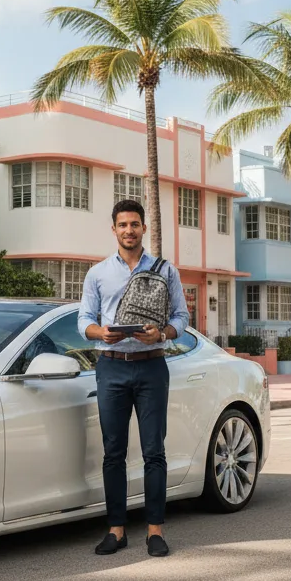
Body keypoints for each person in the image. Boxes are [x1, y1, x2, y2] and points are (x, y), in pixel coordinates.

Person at [78, 199, 189, 558]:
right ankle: (116, 530)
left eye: (135, 224)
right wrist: (100, 333)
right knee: (114, 453)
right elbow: (83, 321)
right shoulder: (97, 273)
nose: (129, 230)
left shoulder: (166, 270)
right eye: (122, 225)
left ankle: (155, 531)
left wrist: (162, 335)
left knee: (154, 451)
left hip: (152, 366)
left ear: (143, 228)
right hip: (111, 367)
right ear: (114, 229)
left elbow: (182, 317)